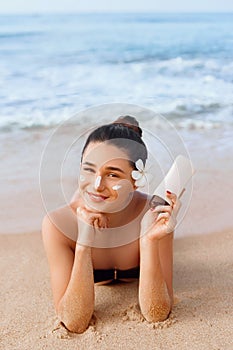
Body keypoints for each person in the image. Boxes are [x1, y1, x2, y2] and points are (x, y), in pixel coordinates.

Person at [42, 116, 181, 333]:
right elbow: (74, 322)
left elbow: (157, 313)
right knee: (92, 193)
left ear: (136, 180)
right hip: (85, 214)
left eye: (112, 174)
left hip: (137, 204)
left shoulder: (153, 214)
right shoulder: (57, 225)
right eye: (87, 169)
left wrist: (149, 241)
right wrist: (84, 244)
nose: (97, 184)